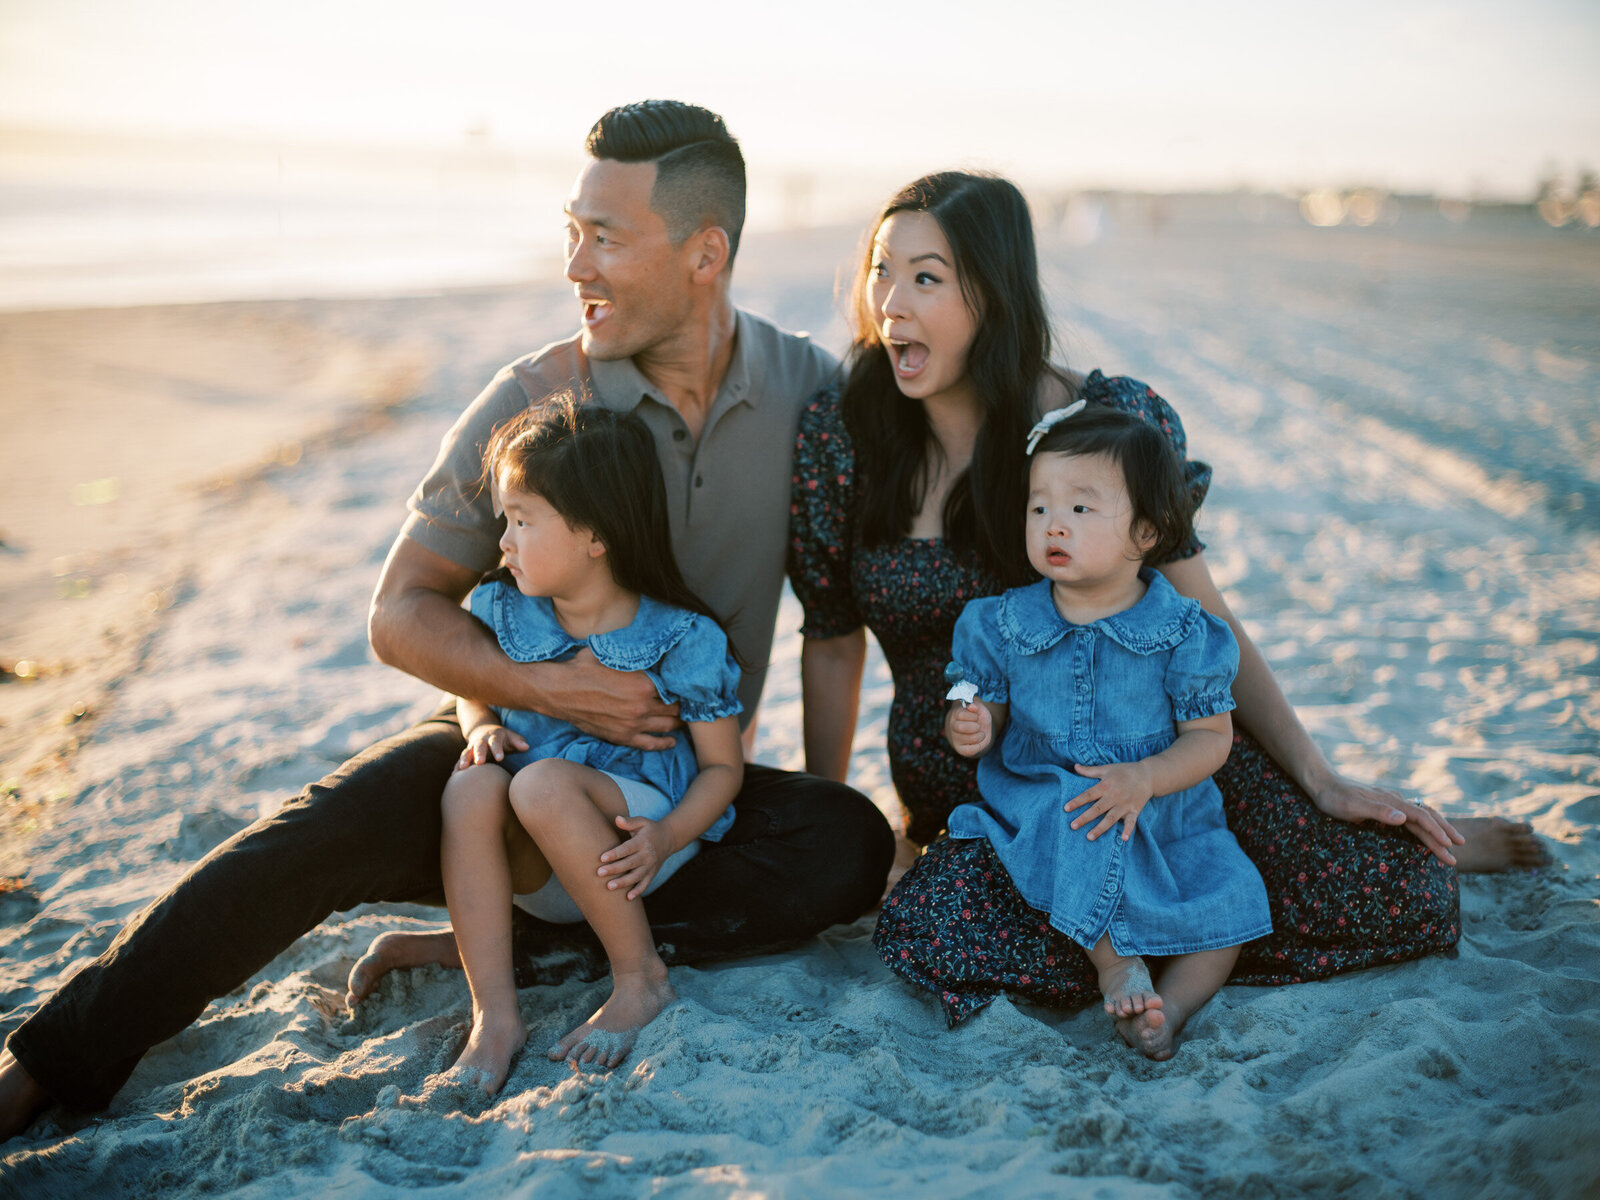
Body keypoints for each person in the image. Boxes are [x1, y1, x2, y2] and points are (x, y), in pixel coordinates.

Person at [0, 100, 894, 1139]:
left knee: (845, 844)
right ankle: (51, 1063)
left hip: (667, 787)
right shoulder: (533, 400)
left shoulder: (806, 390)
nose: (575, 266)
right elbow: (399, 611)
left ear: (707, 253)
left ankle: (523, 941)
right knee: (304, 840)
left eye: (604, 238)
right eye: (572, 230)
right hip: (508, 754)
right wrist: (540, 688)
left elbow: (866, 576)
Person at [788, 171, 1544, 1026]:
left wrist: (1317, 775)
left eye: (926, 276)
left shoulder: (1103, 424)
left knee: (1390, 894)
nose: (891, 301)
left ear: (993, 293)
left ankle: (1408, 839)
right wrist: (845, 835)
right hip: (995, 782)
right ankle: (1162, 946)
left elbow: (1202, 616)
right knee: (944, 935)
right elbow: (830, 638)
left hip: (1155, 754)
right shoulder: (844, 434)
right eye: (882, 270)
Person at [894, 403, 1271, 1059]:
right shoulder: (1005, 621)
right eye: (1039, 508)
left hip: (1162, 812)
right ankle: (1116, 961)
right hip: (1047, 796)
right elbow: (985, 694)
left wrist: (1147, 778)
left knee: (1230, 906)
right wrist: (976, 720)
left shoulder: (1183, 630)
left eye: (1080, 508)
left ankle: (1169, 1010)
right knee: (1077, 815)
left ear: (1147, 532)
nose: (1053, 525)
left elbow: (1211, 738)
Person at [440, 399, 745, 1092]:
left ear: (595, 536)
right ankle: (496, 1017)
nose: (504, 542)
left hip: (638, 836)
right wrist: (479, 723)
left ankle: (641, 979)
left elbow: (724, 769)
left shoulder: (679, 637)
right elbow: (469, 685)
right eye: (504, 520)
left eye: (522, 520)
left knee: (538, 784)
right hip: (546, 858)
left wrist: (666, 836)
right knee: (473, 784)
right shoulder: (503, 608)